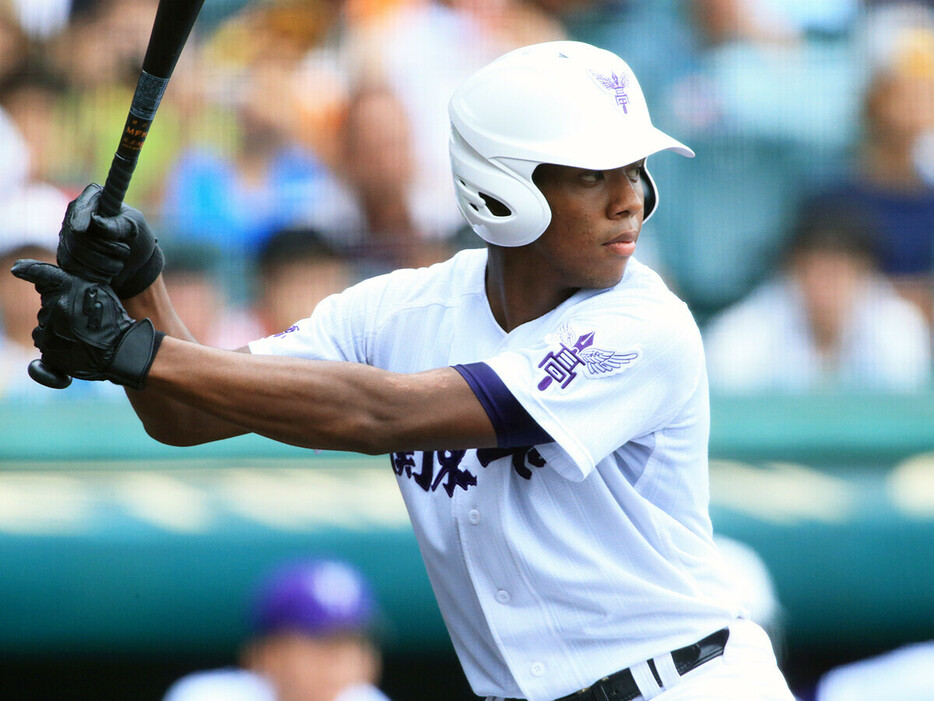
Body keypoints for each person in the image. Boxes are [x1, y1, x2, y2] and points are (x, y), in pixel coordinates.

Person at [13, 41, 795, 701]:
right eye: (595, 174)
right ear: (506, 186)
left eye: (634, 169)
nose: (632, 199)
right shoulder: (399, 310)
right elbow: (186, 410)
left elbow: (380, 413)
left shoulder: (646, 323)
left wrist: (134, 349)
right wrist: (140, 279)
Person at [703, 195, 932, 393]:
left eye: (838, 269)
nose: (824, 284)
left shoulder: (898, 326)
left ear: (864, 270)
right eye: (814, 267)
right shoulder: (743, 333)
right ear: (793, 268)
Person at [163, 558, 389, 701]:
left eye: (356, 642)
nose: (344, 660)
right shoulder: (206, 696)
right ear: (268, 654)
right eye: (325, 642)